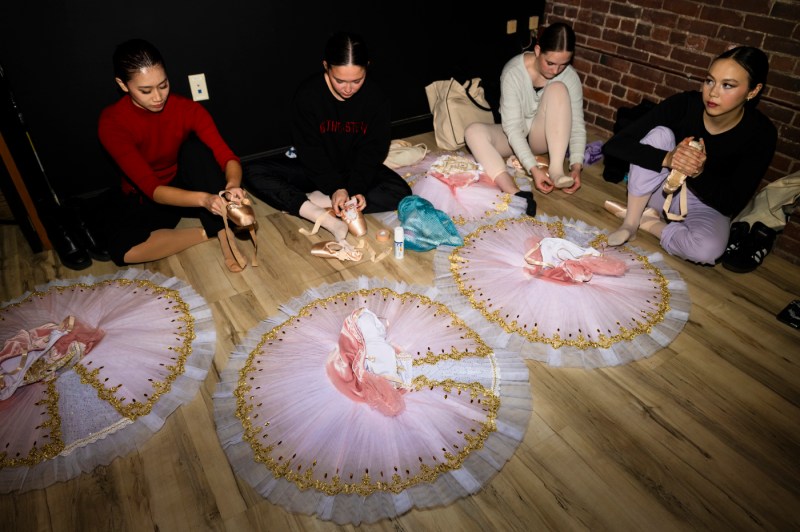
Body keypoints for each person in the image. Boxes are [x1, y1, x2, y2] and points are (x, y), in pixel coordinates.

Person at [602, 46, 777, 265]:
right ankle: (630, 223)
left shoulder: (761, 133)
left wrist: (698, 172)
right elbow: (615, 146)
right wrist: (668, 159)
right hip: (661, 188)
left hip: (706, 202)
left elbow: (731, 202)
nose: (713, 92)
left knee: (708, 251)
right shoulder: (686, 104)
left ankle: (647, 222)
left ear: (753, 91)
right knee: (660, 135)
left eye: (727, 86)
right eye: (709, 81)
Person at [243, 31, 412, 245]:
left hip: (353, 169)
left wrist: (355, 188)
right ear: (326, 66)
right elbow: (309, 150)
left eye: (357, 80)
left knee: (400, 193)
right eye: (340, 80)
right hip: (314, 169)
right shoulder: (308, 95)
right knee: (252, 172)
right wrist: (335, 187)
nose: (348, 88)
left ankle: (320, 201)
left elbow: (373, 150)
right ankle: (317, 211)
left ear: (367, 67)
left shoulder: (376, 98)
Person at [98, 38, 248, 272]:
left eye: (164, 85)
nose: (158, 97)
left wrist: (232, 185)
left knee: (195, 150)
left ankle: (225, 235)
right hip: (149, 196)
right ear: (123, 84)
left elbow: (227, 156)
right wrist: (205, 201)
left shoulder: (187, 109)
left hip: (184, 182)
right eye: (146, 90)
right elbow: (153, 189)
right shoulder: (112, 123)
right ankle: (212, 231)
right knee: (123, 250)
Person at [464, 22, 586, 215]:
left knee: (558, 88)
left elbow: (577, 125)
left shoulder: (569, 77)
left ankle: (556, 170)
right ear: (538, 50)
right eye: (551, 63)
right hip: (514, 136)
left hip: (544, 137)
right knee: (473, 132)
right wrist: (534, 169)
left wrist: (577, 166)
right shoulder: (513, 72)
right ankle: (515, 193)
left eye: (564, 64)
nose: (556, 71)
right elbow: (512, 129)